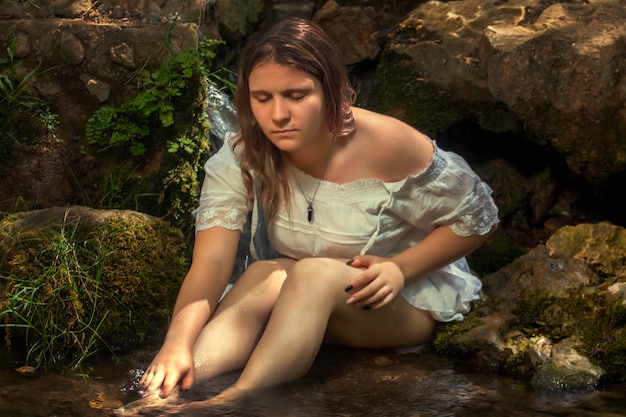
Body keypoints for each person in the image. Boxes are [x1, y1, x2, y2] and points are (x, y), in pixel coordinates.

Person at [118, 16, 499, 414]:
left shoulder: (391, 144)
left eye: (296, 95)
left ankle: (229, 403)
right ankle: (164, 394)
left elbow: (480, 217)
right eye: (262, 98)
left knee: (312, 273)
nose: (278, 115)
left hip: (395, 303)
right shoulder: (244, 153)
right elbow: (212, 263)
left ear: (332, 91)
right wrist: (175, 343)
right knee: (265, 273)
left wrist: (401, 267)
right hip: (300, 306)